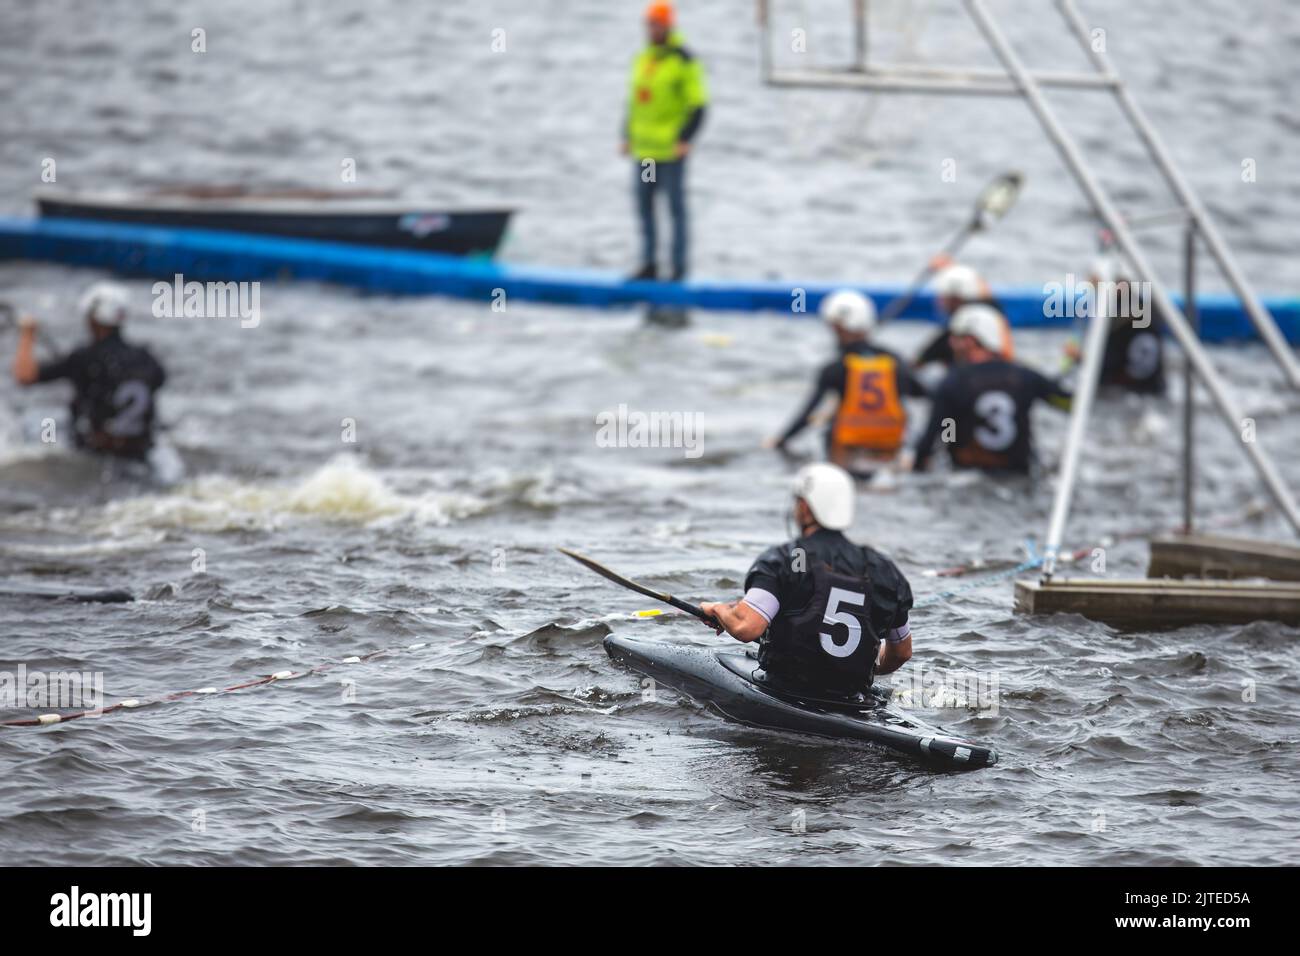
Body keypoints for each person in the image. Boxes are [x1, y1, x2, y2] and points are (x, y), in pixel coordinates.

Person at [701, 463, 914, 699]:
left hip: (785, 692)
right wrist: (861, 664)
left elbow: (746, 627)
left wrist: (718, 610)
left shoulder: (785, 559)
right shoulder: (885, 571)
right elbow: (901, 653)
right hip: (851, 699)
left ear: (804, 507)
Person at [767, 289, 927, 471]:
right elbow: (927, 395)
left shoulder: (835, 368)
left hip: (846, 452)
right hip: (890, 448)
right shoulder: (895, 361)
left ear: (839, 327)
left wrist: (780, 441)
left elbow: (808, 415)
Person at [909, 303, 1070, 475]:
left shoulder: (952, 382)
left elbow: (932, 440)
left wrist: (921, 464)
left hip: (965, 478)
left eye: (956, 338)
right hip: (1019, 477)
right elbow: (1069, 403)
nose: (950, 344)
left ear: (971, 341)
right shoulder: (1026, 377)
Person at [11, 281, 167, 459]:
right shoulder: (146, 358)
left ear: (93, 318)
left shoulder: (83, 357)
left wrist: (27, 334)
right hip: (141, 453)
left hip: (95, 455)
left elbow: (24, 375)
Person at [623, 1, 708, 281]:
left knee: (675, 209)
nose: (652, 30)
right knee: (645, 207)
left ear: (668, 26)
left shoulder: (683, 60)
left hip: (671, 151)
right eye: (649, 25)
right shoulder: (644, 59)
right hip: (646, 152)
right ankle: (649, 263)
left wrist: (686, 138)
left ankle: (678, 269)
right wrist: (625, 135)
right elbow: (635, 103)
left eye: (656, 24)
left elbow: (698, 105)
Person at [1063, 260, 1166, 396]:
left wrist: (1079, 358)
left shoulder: (1121, 318)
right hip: (1153, 387)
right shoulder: (1144, 307)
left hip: (1125, 392)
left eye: (1098, 284)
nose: (1094, 288)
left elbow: (1107, 365)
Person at [913, 258, 1015, 369]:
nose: (939, 301)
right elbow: (982, 289)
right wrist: (949, 269)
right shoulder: (993, 314)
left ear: (954, 300)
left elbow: (917, 363)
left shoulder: (952, 334)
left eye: (943, 297)